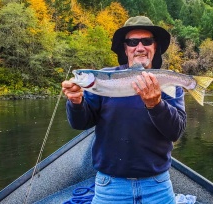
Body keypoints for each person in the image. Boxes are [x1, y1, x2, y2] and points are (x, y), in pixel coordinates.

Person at [62, 16, 186, 204]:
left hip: (158, 186)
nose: (140, 47)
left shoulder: (168, 81)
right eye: (132, 42)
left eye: (147, 41)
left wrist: (156, 105)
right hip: (110, 187)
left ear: (155, 47)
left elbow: (175, 131)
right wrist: (76, 102)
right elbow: (80, 123)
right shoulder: (103, 78)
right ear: (125, 48)